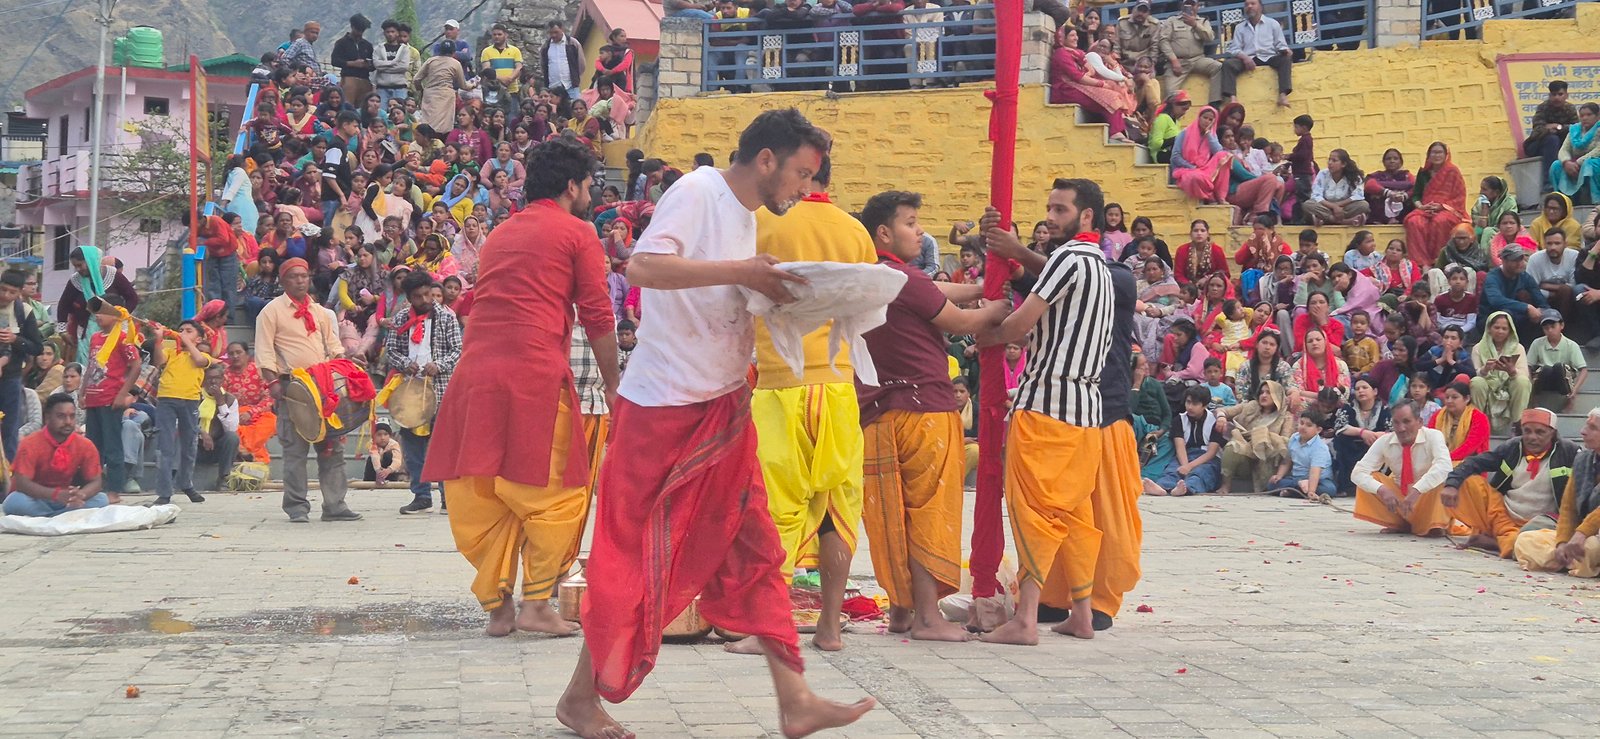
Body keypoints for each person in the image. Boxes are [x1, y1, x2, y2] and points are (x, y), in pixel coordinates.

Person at [556, 110, 873, 739]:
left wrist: (777, 295)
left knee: (760, 550)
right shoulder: (698, 191)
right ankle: (579, 699)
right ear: (766, 160)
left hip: (723, 403)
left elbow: (718, 295)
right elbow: (644, 268)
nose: (805, 189)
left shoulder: (747, 215)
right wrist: (742, 273)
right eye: (801, 174)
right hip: (662, 407)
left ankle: (795, 699)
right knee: (634, 558)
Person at [420, 138, 617, 636]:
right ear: (571, 186)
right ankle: (536, 605)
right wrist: (615, 386)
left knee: (484, 491)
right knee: (557, 494)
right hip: (533, 378)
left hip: (475, 377)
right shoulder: (578, 232)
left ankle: (499, 608)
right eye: (588, 186)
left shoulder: (501, 232)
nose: (590, 196)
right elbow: (598, 315)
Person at [728, 158, 879, 653]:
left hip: (780, 384)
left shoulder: (761, 221)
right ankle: (829, 628)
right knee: (836, 504)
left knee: (778, 508)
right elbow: (867, 307)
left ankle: (771, 630)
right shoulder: (854, 231)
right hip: (837, 386)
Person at [969, 177, 1113, 644]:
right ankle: (1082, 614)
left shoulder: (1068, 258)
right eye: (1049, 209)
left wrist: (984, 336)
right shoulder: (1099, 265)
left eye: (1060, 210)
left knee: (1035, 511)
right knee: (1073, 515)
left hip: (1047, 405)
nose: (1050, 219)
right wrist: (1012, 251)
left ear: (1086, 215)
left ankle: (1026, 619)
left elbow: (1019, 324)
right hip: (1086, 413)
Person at [856, 189, 1002, 643]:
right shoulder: (904, 278)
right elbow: (960, 322)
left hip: (877, 413)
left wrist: (980, 288)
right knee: (927, 512)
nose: (920, 232)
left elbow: (931, 292)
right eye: (911, 223)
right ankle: (927, 617)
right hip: (924, 409)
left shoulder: (867, 276)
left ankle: (902, 611)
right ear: (884, 233)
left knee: (893, 514)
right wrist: (999, 307)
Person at [255, 257, 361, 523]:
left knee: (332, 448)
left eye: (304, 276)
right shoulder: (270, 311)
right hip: (292, 387)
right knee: (295, 451)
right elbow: (264, 353)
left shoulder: (320, 312)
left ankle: (335, 505)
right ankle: (296, 507)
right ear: (283, 281)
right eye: (294, 276)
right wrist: (273, 383)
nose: (300, 281)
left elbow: (333, 346)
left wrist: (344, 363)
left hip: (323, 385)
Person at [1442, 407, 1573, 558]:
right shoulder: (1512, 447)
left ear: (1553, 433)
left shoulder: (1568, 452)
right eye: (1527, 431)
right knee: (1468, 481)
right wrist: (1451, 484)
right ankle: (1504, 540)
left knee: (1530, 544)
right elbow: (1474, 462)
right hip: (1502, 515)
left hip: (1539, 523)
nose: (1532, 437)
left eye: (1540, 432)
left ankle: (1498, 543)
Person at [387, 271, 462, 515]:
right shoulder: (400, 318)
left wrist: (438, 365)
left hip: (441, 389)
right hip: (410, 391)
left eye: (428, 294)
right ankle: (421, 496)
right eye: (418, 296)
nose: (425, 300)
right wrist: (404, 363)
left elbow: (457, 350)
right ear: (409, 298)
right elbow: (391, 350)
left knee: (444, 446)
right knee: (413, 447)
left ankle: (448, 498)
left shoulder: (447, 317)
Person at [1514, 408, 1600, 577]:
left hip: (1591, 536)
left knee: (1589, 548)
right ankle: (1571, 561)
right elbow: (1568, 508)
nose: (1583, 431)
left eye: (1593, 428)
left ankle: (1568, 561)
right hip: (1581, 535)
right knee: (1525, 540)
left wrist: (1581, 534)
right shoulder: (1583, 459)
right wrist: (1562, 542)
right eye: (1586, 425)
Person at [1351, 400, 1452, 536]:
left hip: (1426, 498)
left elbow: (1444, 466)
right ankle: (1398, 523)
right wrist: (1382, 489)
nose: (1401, 428)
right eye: (1396, 423)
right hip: (1399, 500)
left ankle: (1434, 524)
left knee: (1441, 478)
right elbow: (1357, 473)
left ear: (1420, 422)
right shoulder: (1385, 441)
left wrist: (1417, 490)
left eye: (1407, 422)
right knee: (1371, 480)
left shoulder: (1433, 436)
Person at [1, 394, 105, 517]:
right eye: (61, 416)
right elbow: (22, 484)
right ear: (47, 418)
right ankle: (61, 516)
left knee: (101, 499)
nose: (68, 422)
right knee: (13, 502)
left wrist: (81, 495)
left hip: (67, 500)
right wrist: (55, 494)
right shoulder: (30, 443)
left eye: (72, 416)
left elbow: (96, 482)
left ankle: (51, 516)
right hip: (35, 499)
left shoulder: (85, 445)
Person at [78, 295, 141, 499]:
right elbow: (90, 367)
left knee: (113, 446)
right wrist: (82, 391)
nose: (98, 316)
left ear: (116, 315)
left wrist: (122, 394)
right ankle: (93, 487)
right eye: (96, 312)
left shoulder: (123, 338)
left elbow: (136, 366)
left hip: (110, 399)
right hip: (93, 399)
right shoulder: (95, 338)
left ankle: (114, 490)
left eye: (103, 312)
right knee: (93, 446)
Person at [149, 320, 216, 505]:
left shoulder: (203, 355)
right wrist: (159, 339)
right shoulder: (171, 351)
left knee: (189, 445)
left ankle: (186, 483)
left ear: (199, 339)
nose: (183, 333)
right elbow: (158, 361)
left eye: (189, 331)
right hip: (166, 400)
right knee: (165, 446)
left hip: (190, 401)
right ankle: (164, 492)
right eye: (180, 330)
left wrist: (185, 341)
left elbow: (200, 361)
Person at [1049, 26, 1132, 142]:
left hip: (1077, 86)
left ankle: (1118, 131)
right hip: (1065, 90)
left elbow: (1090, 70)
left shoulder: (1077, 53)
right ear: (1062, 38)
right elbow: (1078, 77)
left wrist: (1089, 74)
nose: (1076, 38)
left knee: (1113, 94)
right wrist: (1101, 84)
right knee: (1110, 96)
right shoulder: (1061, 54)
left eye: (1076, 35)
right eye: (1072, 35)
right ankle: (1115, 132)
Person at [0, 269, 46, 460]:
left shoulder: (23, 312)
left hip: (10, 378)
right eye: (3, 289)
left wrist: (15, 340)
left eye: (12, 292)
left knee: (10, 428)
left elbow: (37, 347)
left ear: (20, 292)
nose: (6, 295)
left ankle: (9, 472)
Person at [1152, 385, 1225, 498]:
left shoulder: (1214, 422)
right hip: (1186, 455)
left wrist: (1189, 467)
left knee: (1201, 473)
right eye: (1188, 402)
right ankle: (1162, 487)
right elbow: (1180, 446)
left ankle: (1186, 488)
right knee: (1172, 470)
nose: (1190, 407)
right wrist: (1185, 466)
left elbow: (1211, 453)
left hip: (1206, 458)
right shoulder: (1179, 420)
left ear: (1204, 405)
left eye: (1195, 404)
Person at [1219, 380, 1291, 494]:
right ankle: (1225, 486)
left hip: (1267, 460)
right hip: (1246, 455)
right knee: (1232, 446)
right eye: (1261, 392)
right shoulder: (1251, 406)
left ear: (1277, 395)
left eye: (1268, 392)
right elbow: (1223, 411)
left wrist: (1264, 437)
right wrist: (1221, 417)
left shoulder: (1286, 417)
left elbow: (1285, 443)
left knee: (1261, 433)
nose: (1264, 395)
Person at [1402, 142, 1467, 268]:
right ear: (1428, 155)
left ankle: (1439, 260)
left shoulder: (1453, 172)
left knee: (1440, 221)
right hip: (1425, 209)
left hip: (1447, 210)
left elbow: (1459, 196)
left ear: (1446, 155)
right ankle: (1421, 263)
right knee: (1414, 222)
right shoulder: (1423, 173)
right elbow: (1416, 195)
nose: (1437, 155)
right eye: (1433, 152)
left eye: (1440, 152)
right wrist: (1421, 206)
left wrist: (1442, 206)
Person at [1220, 0, 1292, 108]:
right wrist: (1245, 58)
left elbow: (1280, 44)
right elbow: (1234, 49)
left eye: (1253, 4)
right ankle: (1233, 98)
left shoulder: (1272, 23)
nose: (1249, 6)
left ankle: (1283, 95)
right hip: (1248, 59)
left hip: (1269, 57)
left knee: (1285, 59)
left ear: (1260, 7)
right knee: (1228, 64)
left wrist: (1285, 50)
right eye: (1246, 5)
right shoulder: (1240, 27)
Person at [1471, 311, 1533, 434]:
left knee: (1522, 381)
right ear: (1489, 328)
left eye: (1504, 328)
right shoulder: (1478, 348)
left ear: (1510, 331)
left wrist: (1512, 371)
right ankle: (1477, 425)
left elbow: (1524, 374)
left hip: (1509, 384)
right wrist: (1485, 369)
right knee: (1476, 382)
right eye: (1496, 327)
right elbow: (1475, 372)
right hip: (1488, 384)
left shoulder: (1518, 348)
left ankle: (1518, 424)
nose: (1500, 331)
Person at [1482, 245, 1549, 343]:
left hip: (1518, 317)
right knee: (1506, 315)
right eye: (1514, 260)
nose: (1519, 263)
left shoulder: (1525, 276)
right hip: (1491, 318)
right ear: (1503, 260)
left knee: (1548, 315)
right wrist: (1527, 307)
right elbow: (1496, 300)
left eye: (1521, 259)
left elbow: (1542, 302)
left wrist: (1541, 312)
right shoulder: (1492, 277)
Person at [223, 342, 274, 465]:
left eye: (238, 352)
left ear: (247, 354)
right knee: (231, 427)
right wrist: (238, 414)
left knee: (271, 422)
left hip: (259, 413)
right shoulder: (225, 374)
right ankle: (258, 458)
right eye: (231, 354)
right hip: (236, 414)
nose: (235, 356)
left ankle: (248, 451)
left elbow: (269, 397)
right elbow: (222, 400)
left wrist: (251, 413)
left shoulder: (258, 371)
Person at [1156, 0, 1219, 99]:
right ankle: (1170, 108)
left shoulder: (1203, 21)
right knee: (1170, 94)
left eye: (1192, 4)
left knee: (1218, 67)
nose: (1190, 6)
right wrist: (1174, 60)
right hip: (1177, 62)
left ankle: (1215, 102)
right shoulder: (1172, 20)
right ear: (1182, 6)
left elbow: (1210, 38)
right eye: (1187, 3)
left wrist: (1195, 24)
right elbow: (1163, 41)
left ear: (1197, 6)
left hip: (1198, 59)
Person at [1527, 309, 1587, 410]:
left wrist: (1575, 389)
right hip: (1544, 379)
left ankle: (1568, 399)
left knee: (1559, 367)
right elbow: (1528, 366)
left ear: (1561, 325)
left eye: (1553, 326)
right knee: (1545, 369)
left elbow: (1584, 370)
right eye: (1546, 328)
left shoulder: (1571, 345)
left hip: (1562, 380)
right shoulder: (1537, 343)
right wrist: (1529, 386)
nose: (1550, 330)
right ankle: (1535, 398)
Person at [1171, 107, 1230, 204]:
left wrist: (1208, 134)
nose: (1207, 121)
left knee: (1224, 156)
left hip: (1204, 169)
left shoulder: (1211, 135)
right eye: (1205, 118)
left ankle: (1221, 197)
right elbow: (1175, 157)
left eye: (1210, 120)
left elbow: (1218, 151)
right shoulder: (1184, 133)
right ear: (1199, 117)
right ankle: (1210, 196)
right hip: (1186, 170)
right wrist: (1192, 167)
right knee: (1195, 177)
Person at [1272, 410, 1335, 499]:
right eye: (1301, 423)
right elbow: (1287, 461)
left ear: (1318, 430)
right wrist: (1279, 476)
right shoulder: (1294, 438)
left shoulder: (1320, 447)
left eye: (1309, 425)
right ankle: (1297, 487)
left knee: (1329, 489)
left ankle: (1292, 491)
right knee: (1272, 484)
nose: (1303, 427)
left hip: (1319, 480)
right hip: (1297, 479)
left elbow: (1315, 472)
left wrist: (1311, 491)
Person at [1524, 80, 1578, 181]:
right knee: (1552, 139)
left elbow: (1575, 129)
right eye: (1554, 94)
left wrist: (1558, 127)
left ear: (1566, 95)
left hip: (1560, 146)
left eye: (1560, 94)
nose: (1557, 97)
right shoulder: (1543, 108)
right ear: (1549, 95)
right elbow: (1537, 130)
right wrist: (1548, 130)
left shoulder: (1570, 109)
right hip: (1536, 145)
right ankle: (1549, 181)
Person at [416, 42, 475, 134]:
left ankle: (426, 138)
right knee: (444, 125)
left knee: (428, 121)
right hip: (446, 95)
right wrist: (473, 85)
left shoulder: (431, 61)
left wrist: (421, 90)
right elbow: (463, 85)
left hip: (430, 94)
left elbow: (416, 79)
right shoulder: (455, 63)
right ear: (453, 53)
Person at [196, 367, 239, 493]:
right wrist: (202, 433)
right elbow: (184, 421)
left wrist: (221, 402)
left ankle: (224, 479)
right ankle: (180, 478)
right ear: (203, 380)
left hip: (217, 447)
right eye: (209, 378)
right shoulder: (194, 396)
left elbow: (231, 428)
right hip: (195, 446)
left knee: (232, 437)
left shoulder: (230, 399)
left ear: (222, 380)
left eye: (216, 378)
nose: (213, 382)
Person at [1549, 102, 1600, 202]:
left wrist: (1578, 162)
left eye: (1589, 115)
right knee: (1556, 165)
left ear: (1598, 116)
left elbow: (1598, 150)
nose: (1585, 118)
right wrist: (1566, 162)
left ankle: (1593, 200)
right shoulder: (1575, 130)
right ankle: (1562, 200)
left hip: (1593, 163)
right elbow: (1564, 149)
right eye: (1582, 115)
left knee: (1589, 164)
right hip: (1575, 164)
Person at [1303, 149, 1369, 226]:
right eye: (1329, 160)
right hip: (1325, 206)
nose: (1330, 163)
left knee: (1363, 205)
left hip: (1344, 208)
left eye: (1334, 160)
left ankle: (1325, 220)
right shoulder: (1323, 174)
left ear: (1343, 164)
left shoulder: (1354, 176)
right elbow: (1316, 195)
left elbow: (1358, 195)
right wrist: (1334, 207)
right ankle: (1345, 221)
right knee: (1308, 205)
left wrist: (1338, 206)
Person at [1430, 380, 1490, 463]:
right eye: (1447, 397)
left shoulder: (1479, 418)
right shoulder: (1438, 415)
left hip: (1471, 463)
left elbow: (1470, 447)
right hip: (1439, 460)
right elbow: (1430, 439)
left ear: (1467, 399)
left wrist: (1446, 459)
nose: (1449, 401)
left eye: (1454, 397)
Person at [331, 15, 375, 108]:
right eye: (358, 29)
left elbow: (373, 64)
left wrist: (367, 65)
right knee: (347, 106)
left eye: (362, 30)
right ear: (352, 27)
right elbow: (334, 61)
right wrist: (352, 63)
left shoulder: (367, 45)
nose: (360, 32)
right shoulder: (342, 43)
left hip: (365, 79)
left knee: (364, 108)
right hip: (349, 79)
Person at [480, 23, 526, 110]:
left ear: (506, 35)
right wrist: (503, 80)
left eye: (499, 34)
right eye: (494, 34)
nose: (496, 37)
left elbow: (519, 67)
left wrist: (510, 79)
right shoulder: (486, 51)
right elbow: (486, 70)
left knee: (512, 115)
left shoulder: (515, 51)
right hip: (494, 91)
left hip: (512, 91)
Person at [1364, 148, 1414, 225]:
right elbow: (1369, 185)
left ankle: (1400, 220)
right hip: (1380, 214)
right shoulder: (1377, 175)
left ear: (1401, 162)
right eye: (1388, 159)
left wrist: (1404, 196)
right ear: (1383, 162)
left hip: (1402, 211)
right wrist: (1389, 193)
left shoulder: (1406, 175)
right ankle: (1383, 220)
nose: (1392, 161)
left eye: (1395, 159)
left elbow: (1415, 186)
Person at [373, 19, 416, 107]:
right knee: (381, 112)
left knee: (400, 111)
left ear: (397, 33)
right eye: (388, 32)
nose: (390, 34)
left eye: (393, 31)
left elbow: (403, 67)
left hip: (400, 88)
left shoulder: (404, 49)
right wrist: (393, 63)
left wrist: (384, 67)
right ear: (384, 33)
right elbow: (377, 65)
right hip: (382, 88)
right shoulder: (378, 49)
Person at [541, 20, 585, 101]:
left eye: (556, 32)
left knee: (575, 106)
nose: (553, 35)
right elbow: (543, 66)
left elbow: (581, 63)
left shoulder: (572, 43)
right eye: (551, 33)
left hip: (571, 85)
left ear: (562, 29)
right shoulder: (546, 46)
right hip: (553, 87)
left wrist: (575, 77)